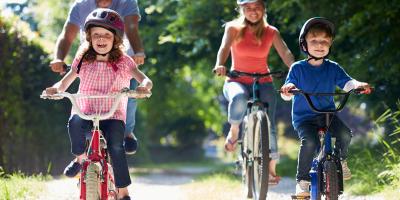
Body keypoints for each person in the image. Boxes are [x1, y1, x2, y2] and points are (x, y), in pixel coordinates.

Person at [42, 8, 153, 199]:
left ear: (116, 38)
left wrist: (144, 86)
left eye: (106, 35)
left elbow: (145, 79)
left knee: (116, 147)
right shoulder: (83, 59)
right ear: (89, 37)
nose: (101, 39)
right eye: (96, 35)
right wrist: (55, 89)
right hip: (85, 111)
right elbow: (65, 82)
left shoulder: (125, 61)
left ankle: (123, 192)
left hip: (113, 114)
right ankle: (80, 158)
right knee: (74, 123)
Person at [280, 17, 371, 196]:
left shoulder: (333, 68)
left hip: (327, 114)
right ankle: (302, 181)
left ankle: (341, 161)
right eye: (314, 40)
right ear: (304, 44)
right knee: (310, 142)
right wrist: (288, 90)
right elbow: (286, 92)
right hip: (304, 117)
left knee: (345, 134)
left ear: (330, 45)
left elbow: (348, 83)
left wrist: (358, 85)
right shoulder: (297, 69)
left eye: (325, 41)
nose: (320, 45)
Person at [213, 0, 294, 185]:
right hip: (236, 79)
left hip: (263, 80)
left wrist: (295, 68)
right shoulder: (233, 28)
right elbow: (224, 48)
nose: (253, 12)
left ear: (263, 9)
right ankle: (234, 131)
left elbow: (286, 52)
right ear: (242, 10)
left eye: (257, 7)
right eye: (248, 8)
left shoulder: (271, 31)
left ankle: (271, 169)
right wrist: (220, 64)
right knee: (239, 98)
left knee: (269, 124)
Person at [49, 0, 144, 155]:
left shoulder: (127, 3)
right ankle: (80, 158)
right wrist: (59, 58)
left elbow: (132, 28)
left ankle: (126, 132)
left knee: (129, 96)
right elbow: (67, 35)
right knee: (84, 104)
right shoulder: (80, 6)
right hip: (90, 61)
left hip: (120, 60)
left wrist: (138, 51)